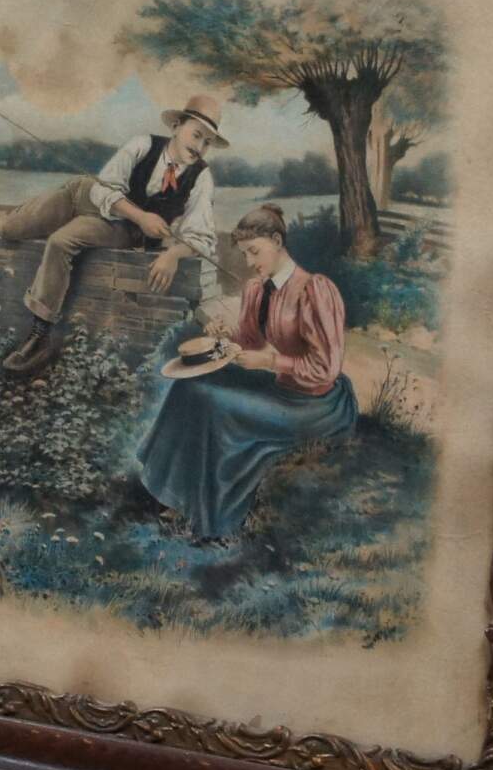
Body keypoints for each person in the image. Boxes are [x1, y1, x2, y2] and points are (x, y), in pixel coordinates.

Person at [135, 203, 357, 540]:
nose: (250, 262)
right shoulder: (256, 288)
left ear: (277, 241)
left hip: (315, 405)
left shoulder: (314, 290)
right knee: (187, 388)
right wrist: (226, 336)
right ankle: (171, 494)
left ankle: (207, 516)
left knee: (213, 404)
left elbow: (325, 368)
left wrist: (269, 362)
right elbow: (251, 341)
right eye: (244, 254)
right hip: (279, 388)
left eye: (254, 251)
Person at [0, 97, 225, 376]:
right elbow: (102, 189)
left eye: (208, 142)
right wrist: (142, 216)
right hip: (80, 195)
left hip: (120, 228)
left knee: (60, 241)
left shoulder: (201, 177)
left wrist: (174, 254)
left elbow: (201, 237)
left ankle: (40, 335)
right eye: (196, 135)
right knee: (14, 228)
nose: (200, 147)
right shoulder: (143, 144)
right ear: (176, 126)